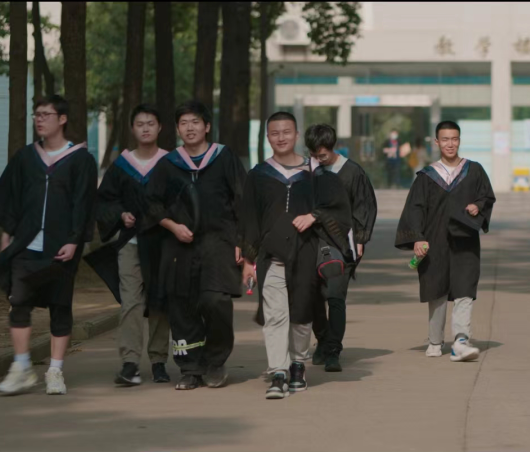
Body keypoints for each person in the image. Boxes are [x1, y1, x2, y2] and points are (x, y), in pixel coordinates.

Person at [0, 95, 98, 395]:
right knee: (18, 301)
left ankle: (55, 371)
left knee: (59, 306)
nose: (39, 119)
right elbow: (11, 195)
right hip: (27, 244)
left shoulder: (80, 160)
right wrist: (8, 232)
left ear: (62, 119)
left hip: (61, 245)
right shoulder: (26, 157)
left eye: (46, 114)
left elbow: (84, 203)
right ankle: (22, 367)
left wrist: (75, 240)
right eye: (37, 114)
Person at [240, 113, 353, 399]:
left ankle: (298, 365)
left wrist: (314, 216)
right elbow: (249, 218)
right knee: (275, 316)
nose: (281, 137)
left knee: (301, 316)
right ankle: (278, 372)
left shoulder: (317, 173)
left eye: (286, 132)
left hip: (306, 255)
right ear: (268, 137)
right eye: (275, 133)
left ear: (297, 135)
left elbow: (340, 208)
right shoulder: (258, 175)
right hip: (271, 256)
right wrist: (248, 261)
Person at [146, 100, 246, 390]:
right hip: (180, 246)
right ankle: (190, 368)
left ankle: (215, 361)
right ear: (177, 129)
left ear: (207, 126)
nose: (189, 128)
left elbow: (242, 199)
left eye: (195, 122)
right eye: (183, 123)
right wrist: (172, 226)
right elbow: (151, 203)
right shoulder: (168, 164)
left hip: (219, 242)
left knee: (216, 302)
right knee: (182, 306)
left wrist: (242, 241)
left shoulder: (224, 157)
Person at [395, 121, 496, 362]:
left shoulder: (474, 170)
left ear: (459, 140)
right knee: (437, 290)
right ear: (437, 142)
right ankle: (435, 340)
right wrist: (417, 238)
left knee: (465, 290)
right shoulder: (427, 176)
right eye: (445, 139)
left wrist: (478, 206)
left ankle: (461, 341)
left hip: (465, 239)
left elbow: (487, 197)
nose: (450, 144)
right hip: (434, 240)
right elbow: (415, 209)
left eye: (454, 139)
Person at [87, 104, 172, 386]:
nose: (145, 128)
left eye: (151, 123)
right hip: (131, 243)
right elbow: (104, 200)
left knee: (159, 301)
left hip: (161, 244)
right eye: (140, 124)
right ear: (132, 129)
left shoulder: (170, 162)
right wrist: (120, 214)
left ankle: (158, 360)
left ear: (160, 128)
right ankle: (130, 362)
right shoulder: (122, 165)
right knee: (131, 302)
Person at [306, 123, 378, 371]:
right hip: (312, 243)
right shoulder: (307, 171)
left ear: (332, 147)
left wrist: (360, 239)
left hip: (342, 244)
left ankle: (333, 349)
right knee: (313, 298)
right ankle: (323, 339)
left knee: (335, 296)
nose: (318, 159)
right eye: (314, 155)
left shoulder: (352, 172)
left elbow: (364, 206)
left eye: (322, 155)